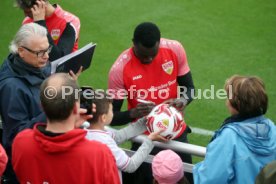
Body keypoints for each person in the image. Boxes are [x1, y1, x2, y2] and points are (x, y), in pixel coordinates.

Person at [108, 22, 195, 184]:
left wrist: (183, 100)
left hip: (175, 132)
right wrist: (133, 113)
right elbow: (111, 117)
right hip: (143, 139)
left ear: (159, 42)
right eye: (143, 56)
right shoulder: (119, 70)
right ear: (133, 43)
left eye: (152, 55)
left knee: (187, 180)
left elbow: (190, 89)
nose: (148, 59)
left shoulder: (174, 50)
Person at [12, 73, 120, 184]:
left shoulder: (21, 142)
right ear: (75, 107)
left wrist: (73, 124)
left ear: (42, 106)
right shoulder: (99, 154)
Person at [193, 75, 276, 184]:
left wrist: (198, 169)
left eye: (228, 97)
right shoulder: (272, 128)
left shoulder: (229, 138)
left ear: (237, 103)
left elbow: (208, 180)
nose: (226, 102)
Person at [0, 23, 51, 183]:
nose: (47, 56)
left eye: (47, 49)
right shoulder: (11, 88)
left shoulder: (32, 64)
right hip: (26, 168)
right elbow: (17, 136)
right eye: (40, 52)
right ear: (21, 51)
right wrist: (54, 111)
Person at [85, 90, 167, 183]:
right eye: (111, 110)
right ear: (103, 118)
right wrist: (150, 141)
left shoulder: (86, 133)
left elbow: (118, 137)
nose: (113, 113)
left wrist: (146, 122)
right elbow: (130, 165)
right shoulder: (106, 143)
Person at [15, 0, 80, 61]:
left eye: (29, 12)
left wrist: (40, 23)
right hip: (35, 72)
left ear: (41, 4)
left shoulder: (69, 22)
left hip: (62, 72)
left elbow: (58, 59)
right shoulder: (27, 22)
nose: (26, 15)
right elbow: (22, 54)